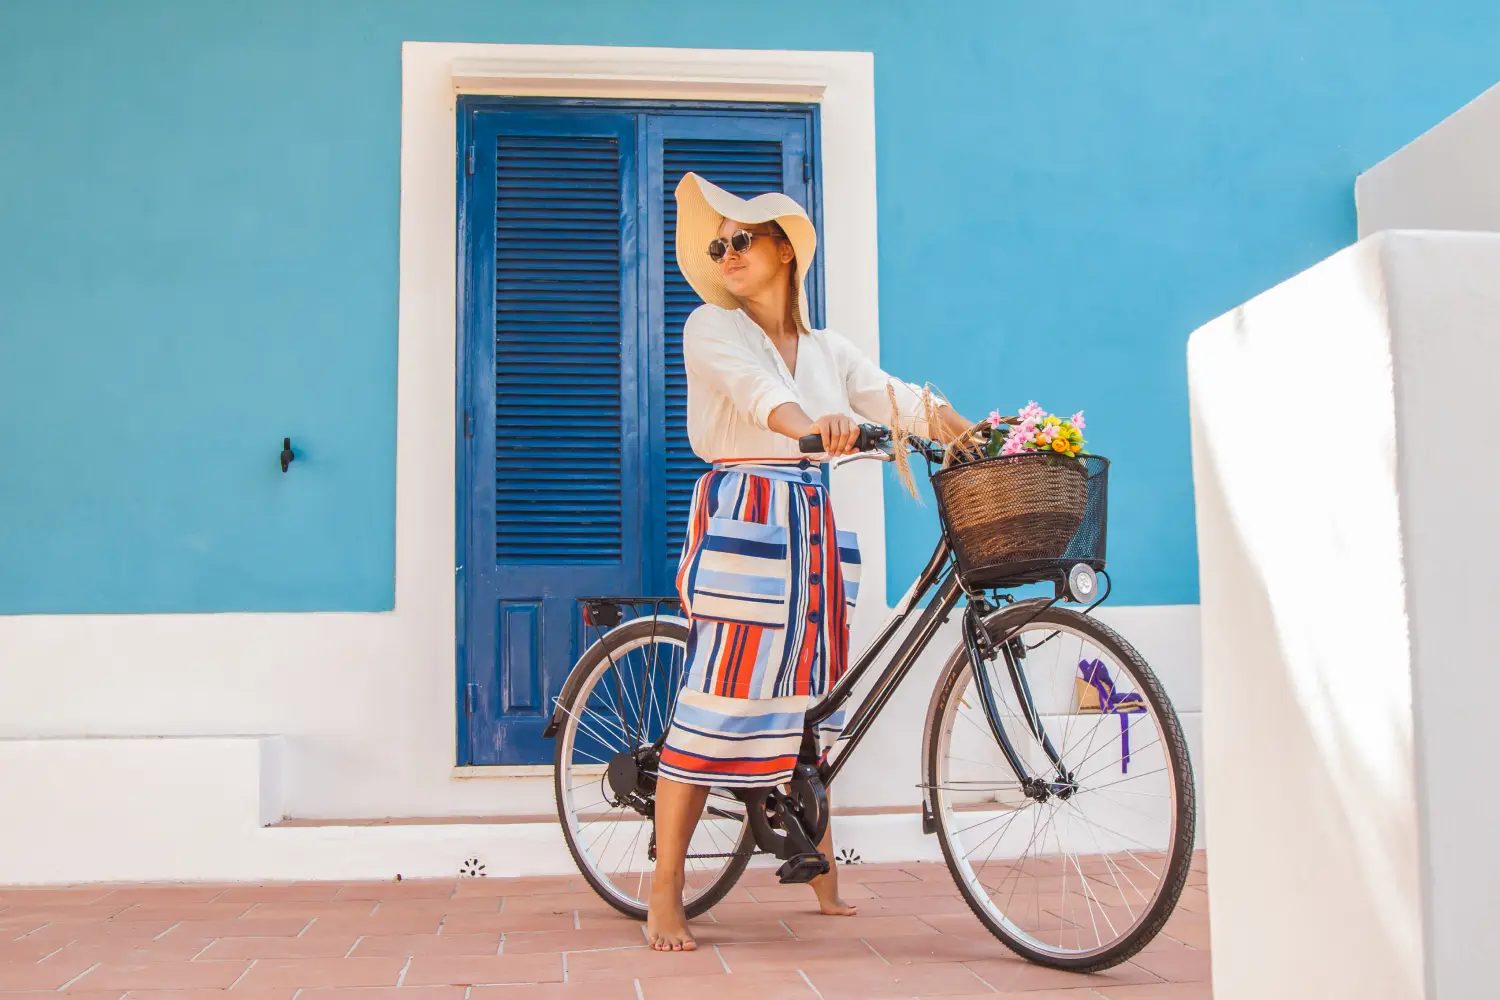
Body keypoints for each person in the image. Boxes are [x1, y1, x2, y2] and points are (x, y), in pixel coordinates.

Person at [648, 173, 973, 951]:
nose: (725, 253)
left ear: (784, 251)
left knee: (804, 698)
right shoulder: (710, 327)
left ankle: (819, 868)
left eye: (741, 240)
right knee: (716, 699)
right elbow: (760, 396)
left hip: (811, 524)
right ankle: (664, 888)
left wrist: (978, 434)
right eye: (717, 244)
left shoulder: (829, 349)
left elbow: (893, 397)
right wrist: (813, 425)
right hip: (746, 512)